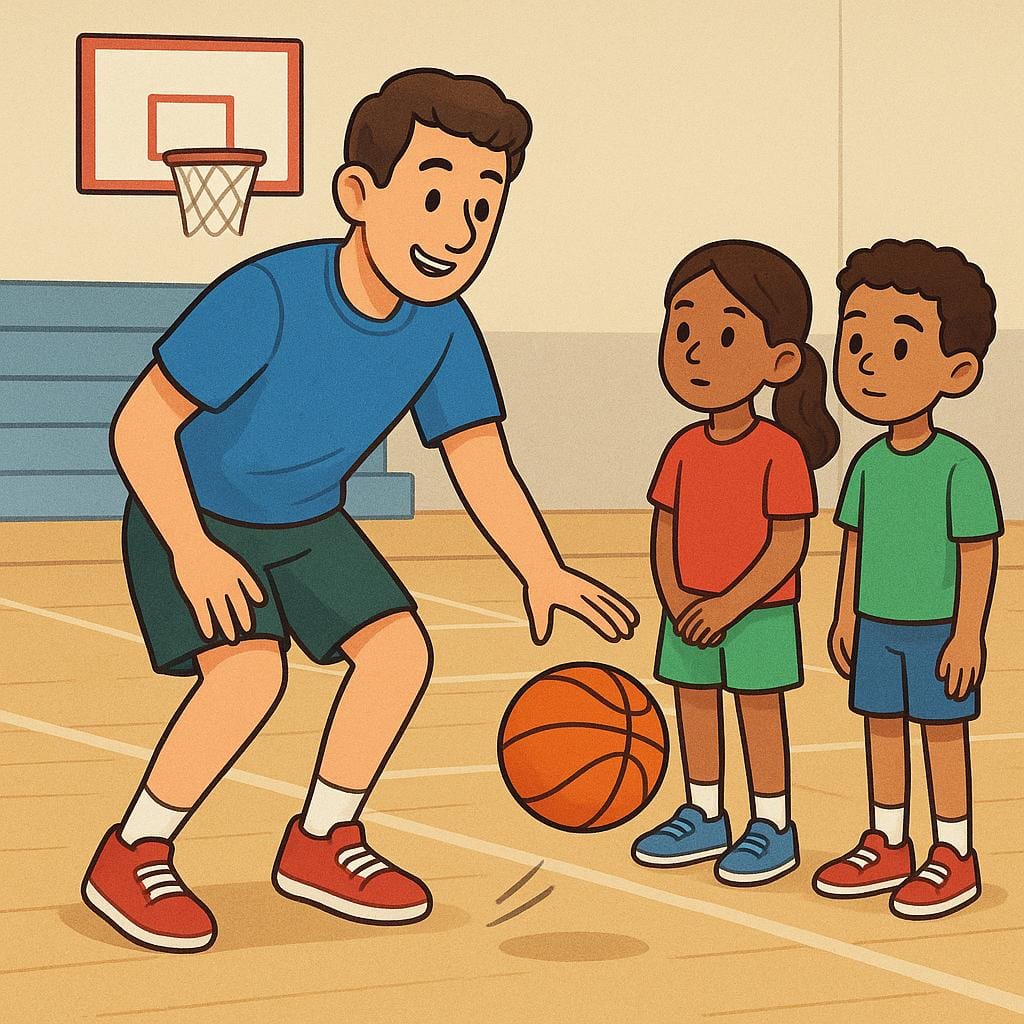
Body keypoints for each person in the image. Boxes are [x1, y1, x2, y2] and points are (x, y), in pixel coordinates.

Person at [82, 68, 638, 953]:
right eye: (433, 195)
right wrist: (189, 548)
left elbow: (477, 456)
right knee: (250, 676)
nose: (458, 229)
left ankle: (321, 840)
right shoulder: (270, 294)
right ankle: (134, 850)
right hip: (190, 512)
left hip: (306, 521)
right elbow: (141, 425)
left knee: (399, 651)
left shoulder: (444, 326)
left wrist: (542, 568)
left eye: (483, 207)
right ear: (359, 195)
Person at [632, 240, 839, 886]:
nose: (696, 350)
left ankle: (772, 823)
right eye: (682, 330)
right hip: (688, 610)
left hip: (757, 613)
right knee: (694, 704)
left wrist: (729, 604)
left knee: (757, 710)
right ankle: (703, 812)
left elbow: (787, 545)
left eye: (725, 335)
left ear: (780, 361)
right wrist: (676, 600)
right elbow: (664, 530)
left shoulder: (779, 451)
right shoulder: (682, 448)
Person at [813, 239, 1000, 920]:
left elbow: (977, 553)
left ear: (957, 370)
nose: (867, 360)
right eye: (855, 340)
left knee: (942, 735)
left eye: (897, 346)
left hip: (936, 631)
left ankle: (955, 851)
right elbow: (854, 544)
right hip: (875, 625)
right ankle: (888, 841)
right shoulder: (867, 463)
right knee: (882, 729)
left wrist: (968, 634)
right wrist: (844, 616)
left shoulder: (960, 466)